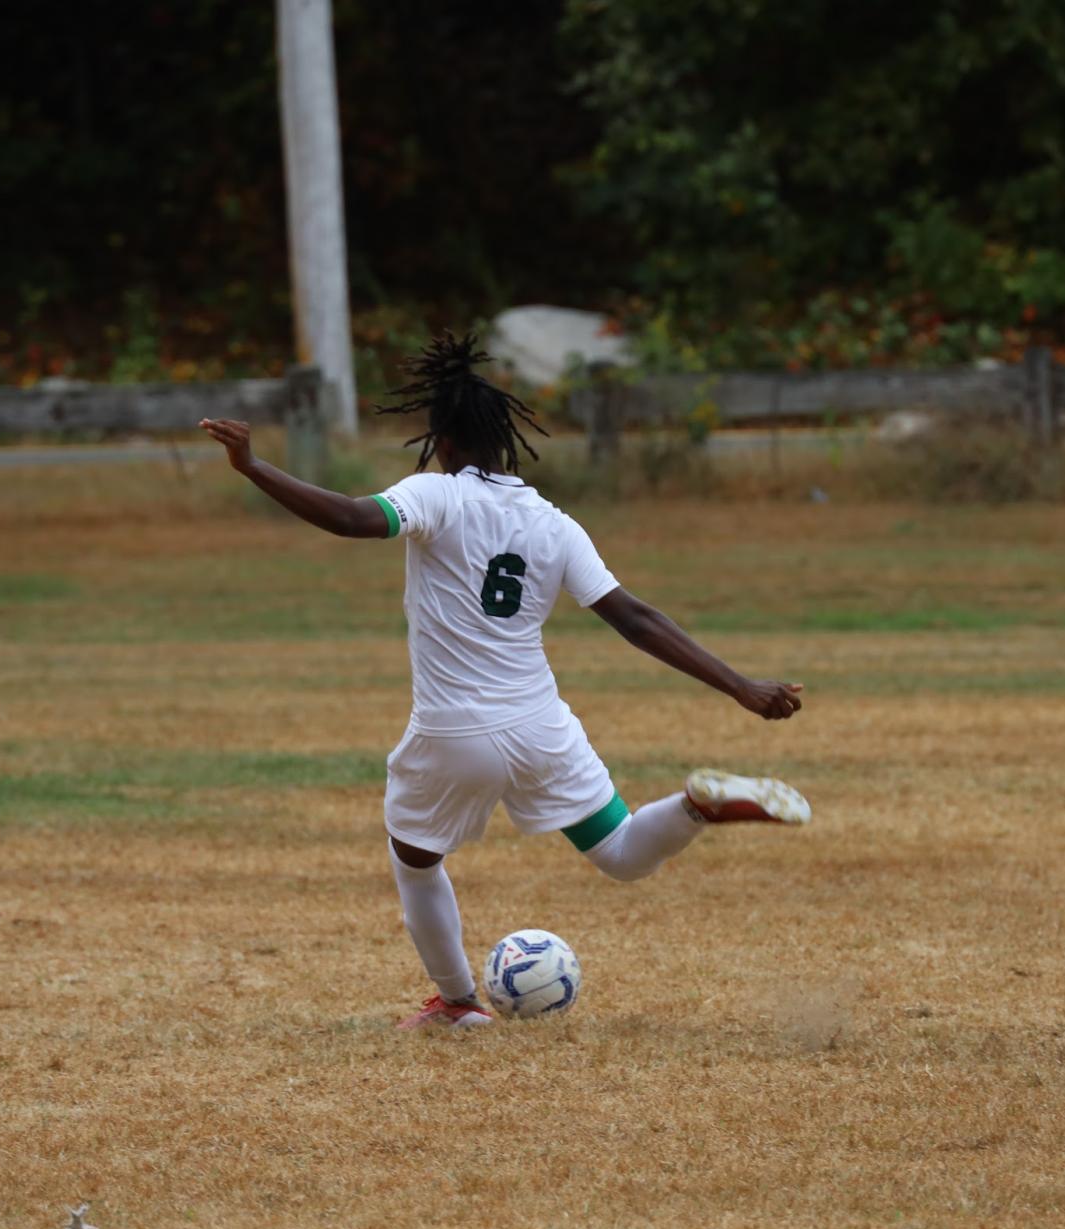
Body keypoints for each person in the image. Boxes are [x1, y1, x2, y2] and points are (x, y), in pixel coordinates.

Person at [199, 332, 810, 1031]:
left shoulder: (433, 494)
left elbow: (350, 517)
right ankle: (696, 805)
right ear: (502, 440)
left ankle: (458, 1004)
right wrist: (738, 684)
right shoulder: (553, 522)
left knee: (415, 857)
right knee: (618, 855)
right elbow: (635, 618)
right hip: (539, 722)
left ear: (443, 442)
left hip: (456, 729)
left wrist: (252, 466)